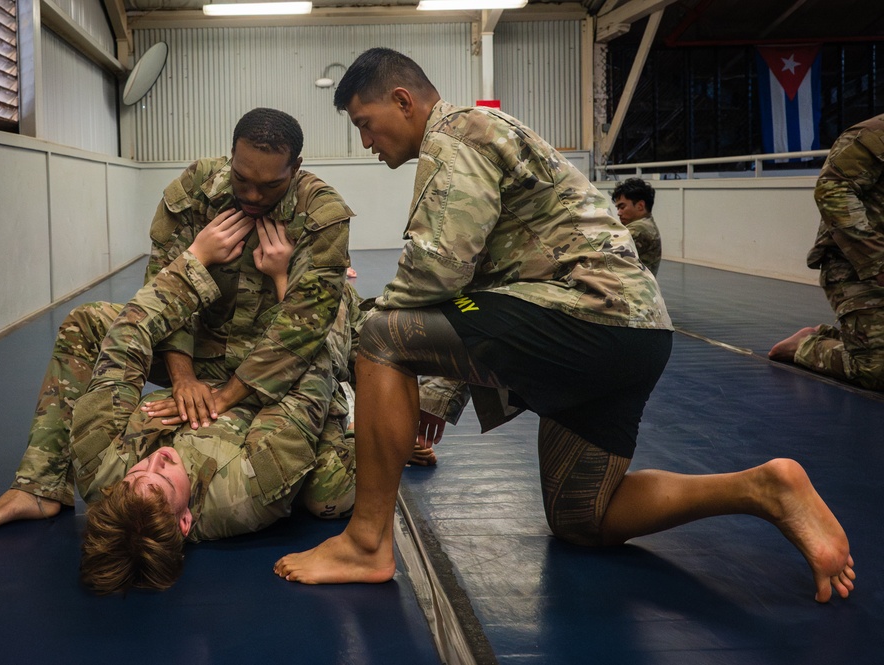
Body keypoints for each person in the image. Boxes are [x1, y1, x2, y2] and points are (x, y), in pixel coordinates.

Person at [273, 47, 855, 604]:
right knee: (584, 516)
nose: (366, 141)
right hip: (637, 334)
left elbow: (439, 270)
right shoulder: (484, 135)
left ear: (403, 101)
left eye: (365, 124)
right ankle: (762, 488)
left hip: (587, 314)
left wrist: (381, 337)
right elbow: (475, 287)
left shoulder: (456, 136)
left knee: (381, 334)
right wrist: (437, 389)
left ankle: (366, 543)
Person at [0, 108, 358, 593]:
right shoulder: (250, 485)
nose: (251, 196)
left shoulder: (321, 213)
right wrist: (185, 377)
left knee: (93, 324)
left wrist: (196, 264)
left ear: (296, 168)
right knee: (327, 482)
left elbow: (139, 332)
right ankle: (41, 486)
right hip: (231, 360)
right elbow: (308, 374)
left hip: (278, 340)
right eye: (242, 180)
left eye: (269, 186)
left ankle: (38, 484)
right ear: (230, 157)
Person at [769, 114, 884, 391]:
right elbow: (833, 190)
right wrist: (877, 261)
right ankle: (807, 345)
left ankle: (856, 338)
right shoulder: (874, 135)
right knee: (877, 370)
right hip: (856, 268)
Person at [611, 177, 662, 275]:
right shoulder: (647, 224)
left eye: (622, 207)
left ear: (640, 206)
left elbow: (604, 255)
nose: (619, 213)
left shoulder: (639, 229)